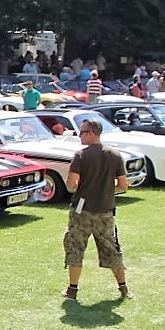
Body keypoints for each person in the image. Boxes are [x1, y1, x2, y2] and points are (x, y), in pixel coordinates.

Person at [61, 119, 130, 301]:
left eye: (82, 132)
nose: (79, 136)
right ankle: (123, 288)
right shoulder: (114, 155)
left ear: (91, 133)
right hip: (105, 211)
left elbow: (71, 184)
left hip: (81, 212)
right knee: (111, 248)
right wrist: (107, 184)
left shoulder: (81, 155)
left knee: (75, 248)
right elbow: (123, 186)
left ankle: (72, 290)